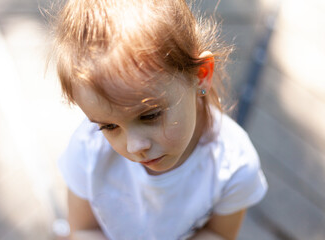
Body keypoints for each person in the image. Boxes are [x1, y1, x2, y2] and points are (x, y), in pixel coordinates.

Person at [53, 0, 268, 239]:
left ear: (200, 75)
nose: (135, 146)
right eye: (109, 126)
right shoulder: (88, 149)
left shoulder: (234, 165)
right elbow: (83, 229)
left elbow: (219, 233)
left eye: (150, 115)